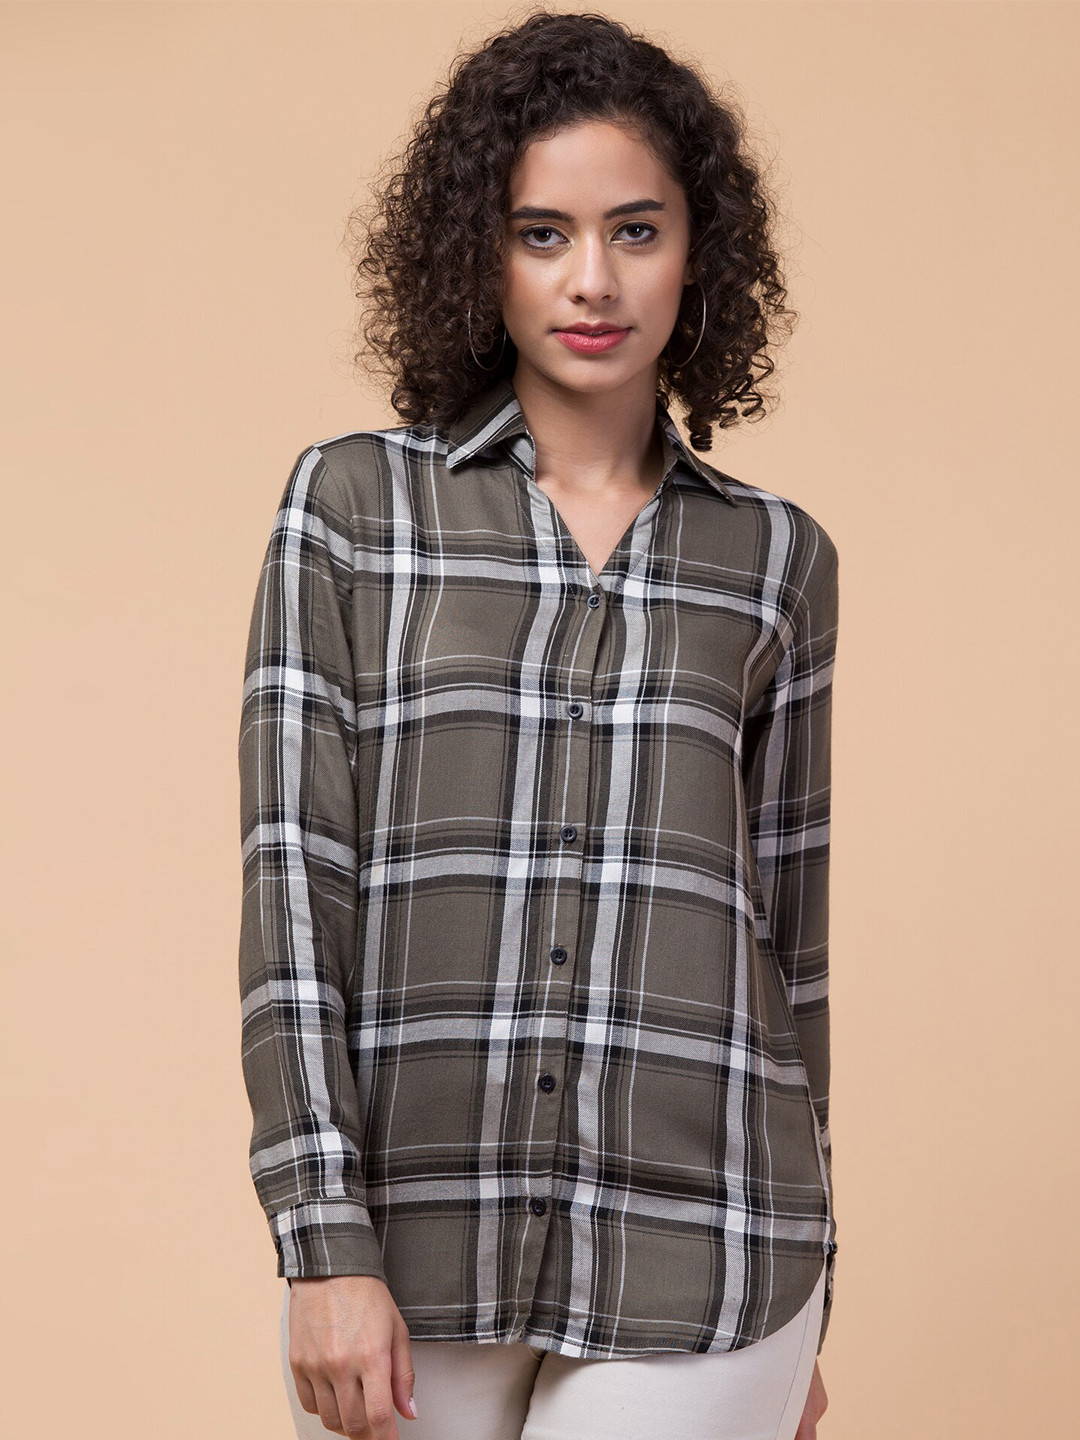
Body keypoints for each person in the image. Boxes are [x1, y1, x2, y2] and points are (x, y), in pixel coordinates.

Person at [237, 10, 840, 1440]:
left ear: (699, 252)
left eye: (636, 231)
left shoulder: (776, 558)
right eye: (542, 233)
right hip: (415, 1240)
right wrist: (321, 1243)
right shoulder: (353, 511)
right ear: (479, 253)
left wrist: (812, 1297)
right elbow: (294, 891)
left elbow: (791, 945)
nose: (593, 280)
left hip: (716, 1248)